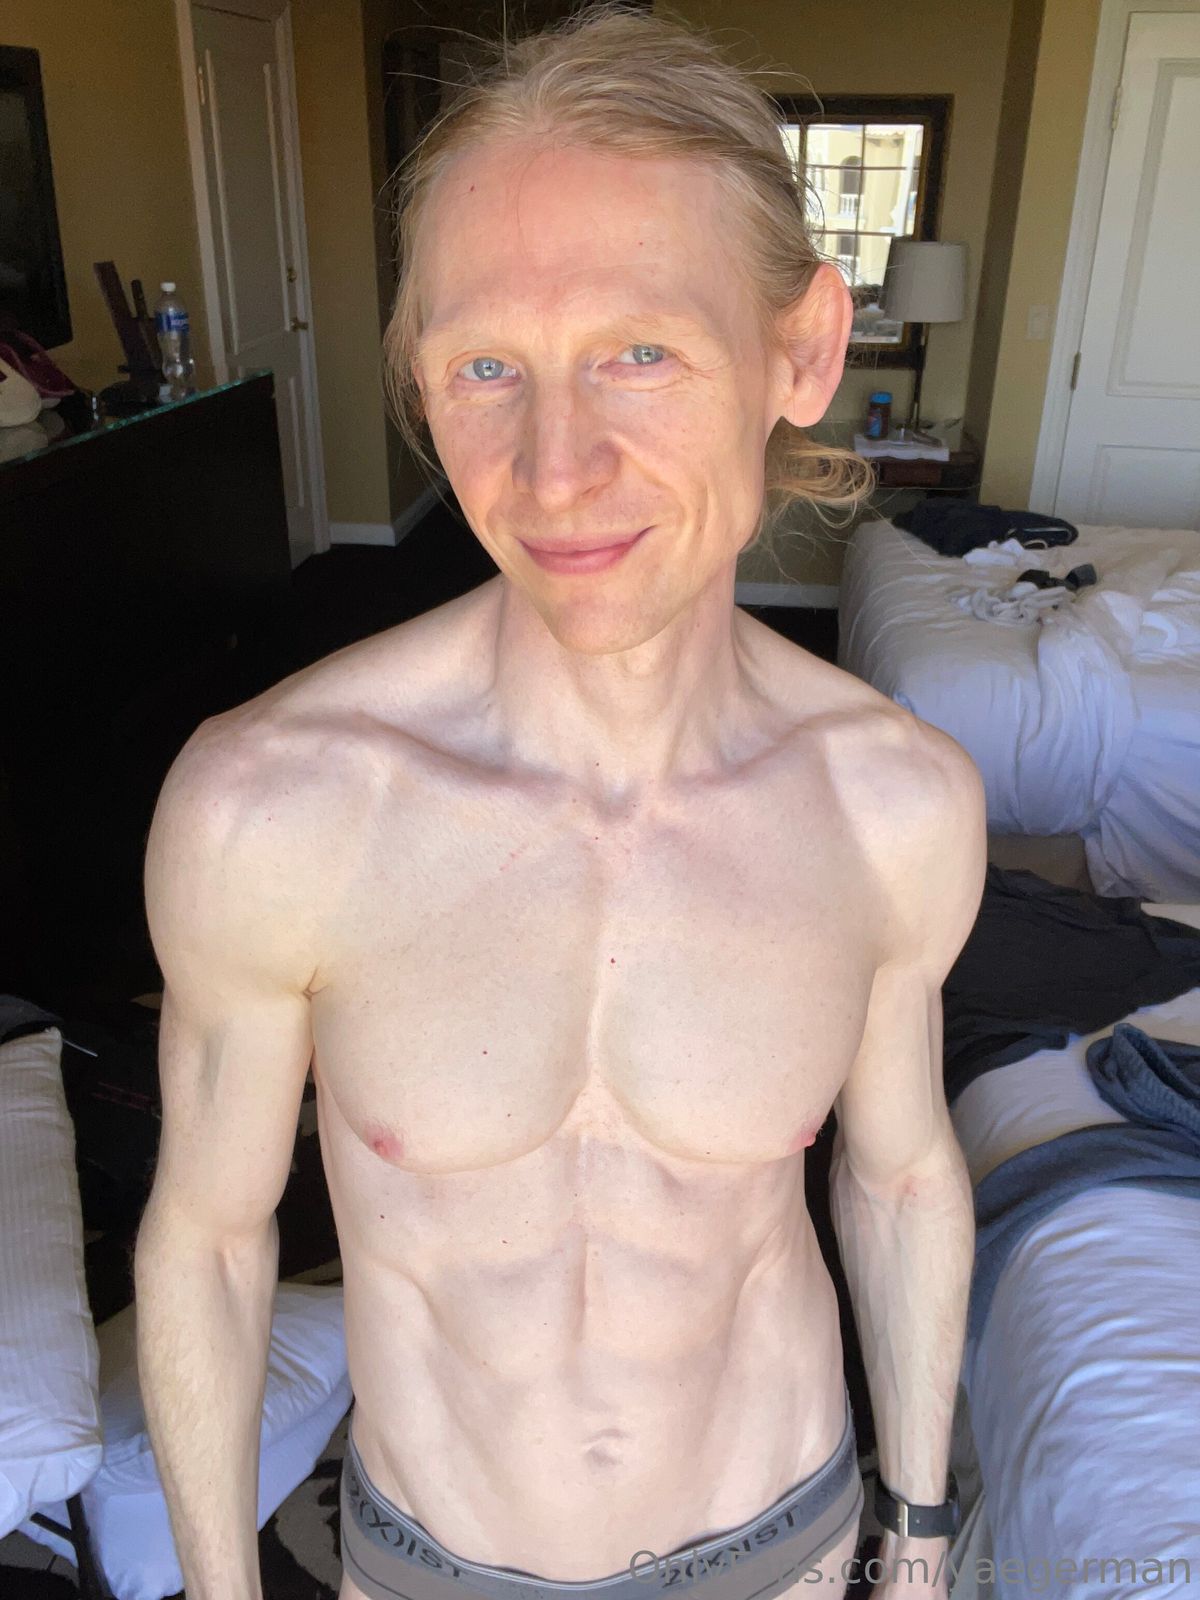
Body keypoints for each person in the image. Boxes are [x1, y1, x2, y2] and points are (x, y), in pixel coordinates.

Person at [133, 7, 985, 1600]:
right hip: (430, 1569)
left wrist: (921, 1540)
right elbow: (209, 1239)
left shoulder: (895, 806)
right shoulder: (271, 808)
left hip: (792, 1548)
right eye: (486, 369)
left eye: (639, 352)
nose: (555, 467)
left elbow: (900, 1174)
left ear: (802, 351)